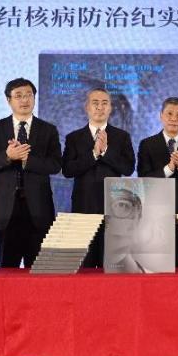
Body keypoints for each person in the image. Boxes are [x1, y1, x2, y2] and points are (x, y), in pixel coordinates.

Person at [0, 78, 61, 268]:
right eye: (18, 96)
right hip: (6, 211)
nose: (24, 100)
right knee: (7, 271)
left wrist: (27, 160)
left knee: (38, 272)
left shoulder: (48, 130)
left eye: (29, 95)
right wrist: (7, 156)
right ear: (9, 100)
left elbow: (56, 165)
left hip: (38, 210)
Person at [62, 88, 135, 267]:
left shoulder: (122, 137)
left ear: (110, 108)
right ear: (87, 107)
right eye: (95, 103)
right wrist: (94, 154)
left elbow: (128, 168)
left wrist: (106, 151)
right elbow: (68, 170)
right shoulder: (74, 138)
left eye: (104, 103)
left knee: (110, 266)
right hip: (83, 207)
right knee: (84, 266)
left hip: (114, 210)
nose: (100, 107)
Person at [137, 97, 178, 268]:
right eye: (169, 114)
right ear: (161, 116)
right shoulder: (147, 144)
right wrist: (169, 168)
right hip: (155, 214)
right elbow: (143, 180)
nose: (174, 118)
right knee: (156, 267)